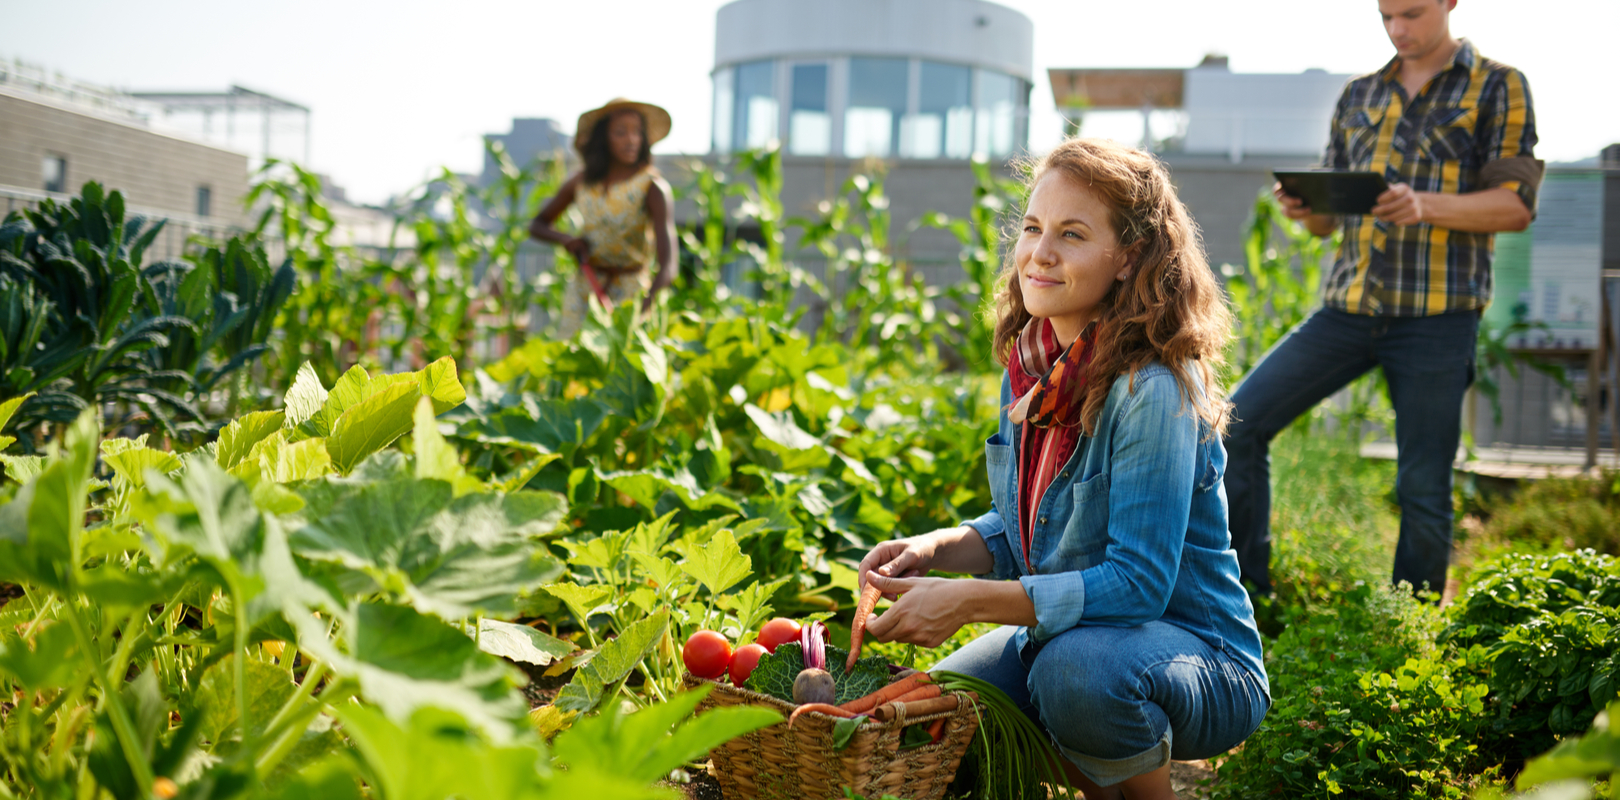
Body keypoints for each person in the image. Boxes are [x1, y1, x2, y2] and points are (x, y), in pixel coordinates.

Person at [856, 138, 1269, 800]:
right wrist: (936, 550)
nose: (1039, 253)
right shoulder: (1033, 367)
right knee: (944, 719)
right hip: (1063, 639)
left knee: (1074, 677)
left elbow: (1137, 585)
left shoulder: (1152, 388)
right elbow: (1030, 526)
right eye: (1032, 228)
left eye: (1072, 235)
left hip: (1197, 657)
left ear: (1128, 257)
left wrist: (968, 603)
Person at [1224, 0, 1541, 599]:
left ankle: (1412, 625)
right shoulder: (1359, 94)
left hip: (1438, 318)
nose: (1399, 30)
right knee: (1236, 424)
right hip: (1348, 310)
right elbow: (1324, 226)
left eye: (1412, 14)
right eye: (1387, 16)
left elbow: (1515, 206)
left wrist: (1425, 205)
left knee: (1422, 484)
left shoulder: (1498, 85)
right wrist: (1306, 208)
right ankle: (1246, 600)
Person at [529, 98, 678, 338]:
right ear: (603, 139)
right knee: (572, 362)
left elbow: (668, 267)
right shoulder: (581, 183)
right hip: (585, 289)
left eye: (637, 132)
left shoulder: (652, 187)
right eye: (620, 133)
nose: (631, 140)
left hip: (631, 295)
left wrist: (640, 312)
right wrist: (567, 240)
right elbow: (537, 225)